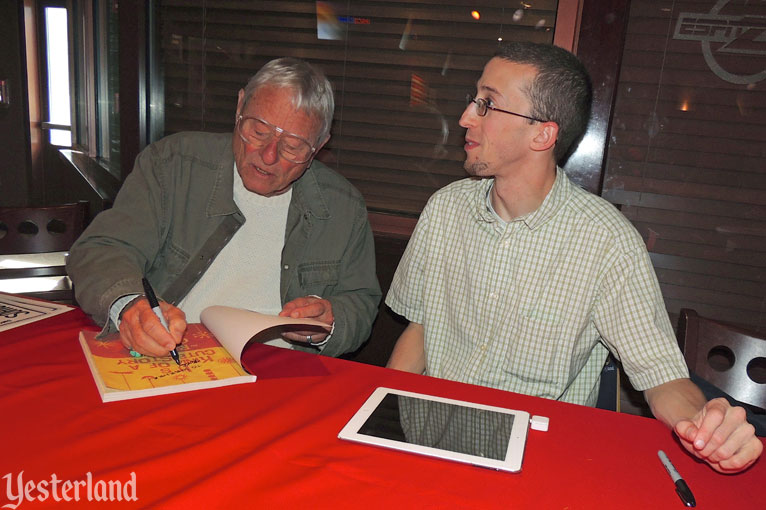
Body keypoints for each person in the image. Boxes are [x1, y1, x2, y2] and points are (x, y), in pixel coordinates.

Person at [385, 42, 762, 473]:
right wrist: (387, 423)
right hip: (432, 437)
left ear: (542, 134)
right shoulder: (445, 209)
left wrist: (704, 425)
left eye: (488, 104)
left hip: (534, 458)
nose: (466, 117)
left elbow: (662, 375)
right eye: (475, 100)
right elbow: (420, 329)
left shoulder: (605, 241)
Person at [67, 57, 381, 358]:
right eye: (258, 132)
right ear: (239, 105)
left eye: (293, 146)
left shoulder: (343, 207)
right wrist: (130, 304)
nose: (268, 155)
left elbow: (361, 304)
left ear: (320, 144)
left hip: (280, 368)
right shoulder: (173, 165)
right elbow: (102, 249)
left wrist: (329, 321)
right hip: (168, 355)